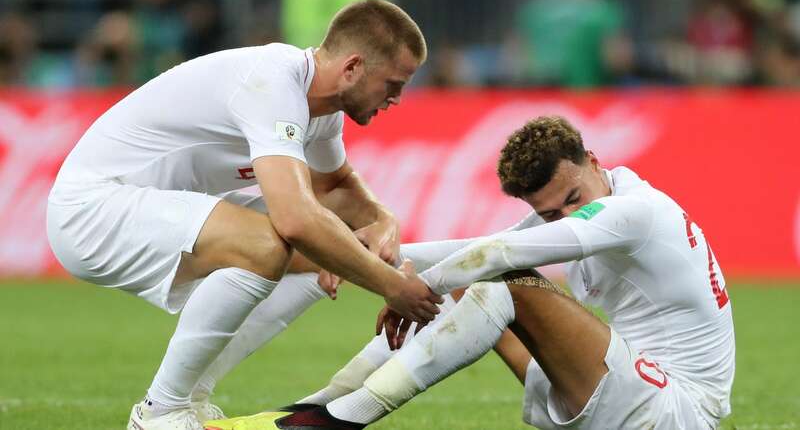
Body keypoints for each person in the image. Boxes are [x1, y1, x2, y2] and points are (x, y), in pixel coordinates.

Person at [46, 0, 443, 430]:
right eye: (393, 83)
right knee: (274, 244)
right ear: (352, 68)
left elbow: (334, 190)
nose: (398, 99)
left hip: (148, 203)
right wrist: (390, 285)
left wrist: (382, 219)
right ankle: (160, 412)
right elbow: (295, 220)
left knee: (328, 253)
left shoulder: (320, 109)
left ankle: (190, 398)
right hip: (93, 209)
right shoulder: (271, 83)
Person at [210, 116, 735, 429]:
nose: (566, 218)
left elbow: (495, 257)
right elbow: (476, 248)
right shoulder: (599, 202)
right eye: (550, 213)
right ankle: (313, 408)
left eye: (573, 199)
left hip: (676, 410)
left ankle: (339, 421)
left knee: (504, 278)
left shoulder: (637, 210)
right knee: (481, 276)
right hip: (630, 391)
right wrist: (360, 257)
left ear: (594, 160)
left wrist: (400, 287)